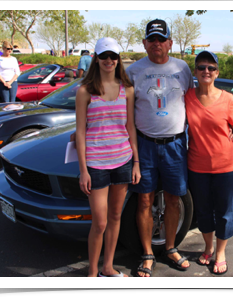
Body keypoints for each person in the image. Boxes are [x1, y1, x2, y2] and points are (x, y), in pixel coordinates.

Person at [125, 19, 194, 277]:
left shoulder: (183, 68)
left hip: (175, 145)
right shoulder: (133, 71)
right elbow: (122, 108)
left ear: (170, 43)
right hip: (144, 145)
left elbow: (194, 102)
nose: (156, 44)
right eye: (151, 39)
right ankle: (147, 254)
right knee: (144, 200)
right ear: (144, 43)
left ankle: (171, 248)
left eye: (161, 39)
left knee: (174, 199)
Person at [75, 37, 141, 277]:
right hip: (96, 165)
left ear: (118, 59)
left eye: (113, 56)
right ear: (96, 58)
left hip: (123, 160)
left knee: (115, 216)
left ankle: (107, 267)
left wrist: (136, 163)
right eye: (104, 56)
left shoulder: (127, 90)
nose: (109, 60)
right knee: (100, 223)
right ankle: (92, 273)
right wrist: (83, 170)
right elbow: (80, 133)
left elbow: (130, 127)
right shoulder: (85, 91)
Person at [185, 51, 233, 275]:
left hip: (225, 166)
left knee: (223, 211)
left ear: (217, 72)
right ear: (195, 72)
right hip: (197, 166)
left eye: (211, 68)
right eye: (201, 67)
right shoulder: (188, 97)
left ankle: (220, 253)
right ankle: (208, 247)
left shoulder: (227, 99)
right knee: (202, 211)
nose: (206, 71)